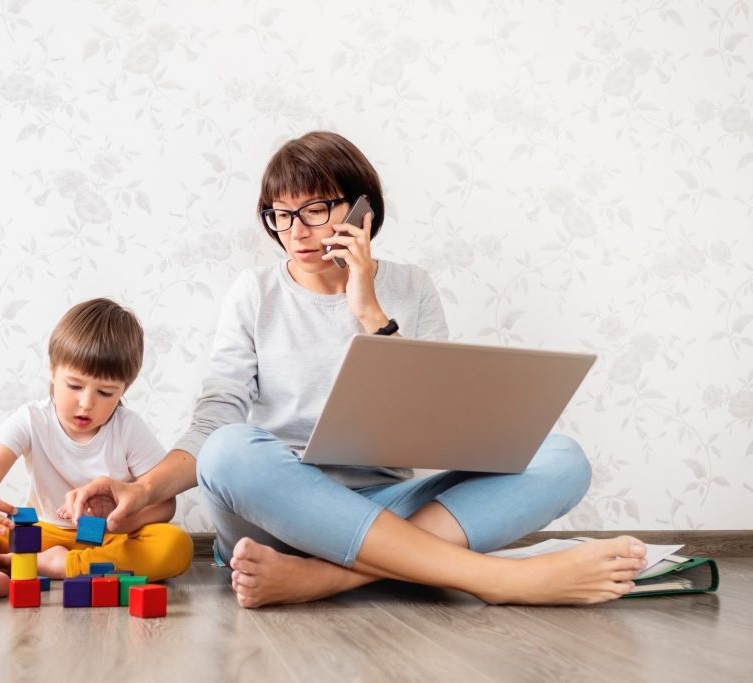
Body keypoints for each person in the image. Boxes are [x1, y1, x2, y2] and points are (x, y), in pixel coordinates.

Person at [67, 131, 647, 608]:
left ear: (362, 210)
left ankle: (326, 576)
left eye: (315, 210)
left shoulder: (411, 287)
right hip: (279, 509)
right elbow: (214, 419)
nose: (296, 230)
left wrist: (368, 309)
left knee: (563, 457)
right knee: (229, 448)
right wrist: (140, 489)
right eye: (282, 215)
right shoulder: (254, 293)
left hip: (389, 502)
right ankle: (500, 579)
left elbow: (437, 420)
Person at [0, 298, 193, 605]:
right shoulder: (31, 419)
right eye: (74, 386)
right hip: (41, 535)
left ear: (125, 389)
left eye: (105, 392)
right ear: (52, 371)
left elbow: (165, 504)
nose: (86, 403)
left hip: (106, 540)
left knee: (175, 544)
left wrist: (119, 520)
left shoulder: (128, 428)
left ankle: (64, 567)